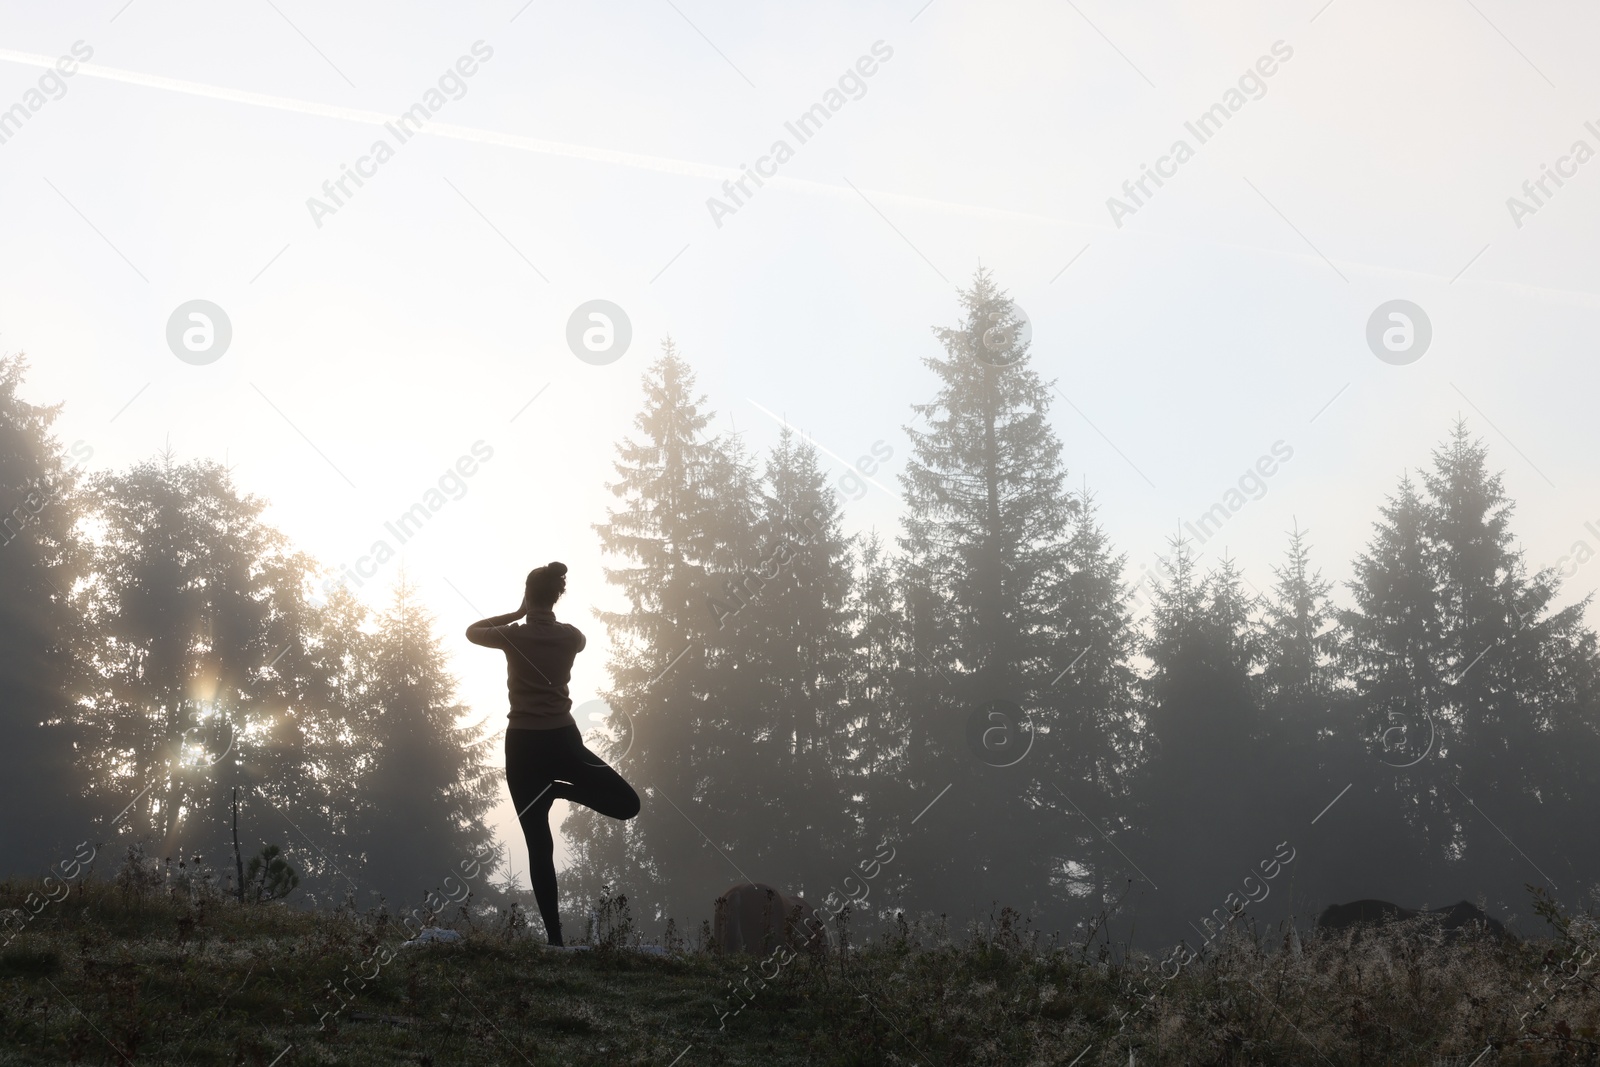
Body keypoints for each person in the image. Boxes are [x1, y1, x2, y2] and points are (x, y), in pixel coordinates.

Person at [466, 561, 640, 946]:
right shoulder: (571, 637)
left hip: (523, 748)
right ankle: (561, 790)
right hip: (564, 743)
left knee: (538, 847)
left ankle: (556, 941)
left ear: (529, 595)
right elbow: (578, 639)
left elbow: (472, 632)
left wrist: (517, 611)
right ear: (558, 595)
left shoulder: (513, 635)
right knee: (628, 804)